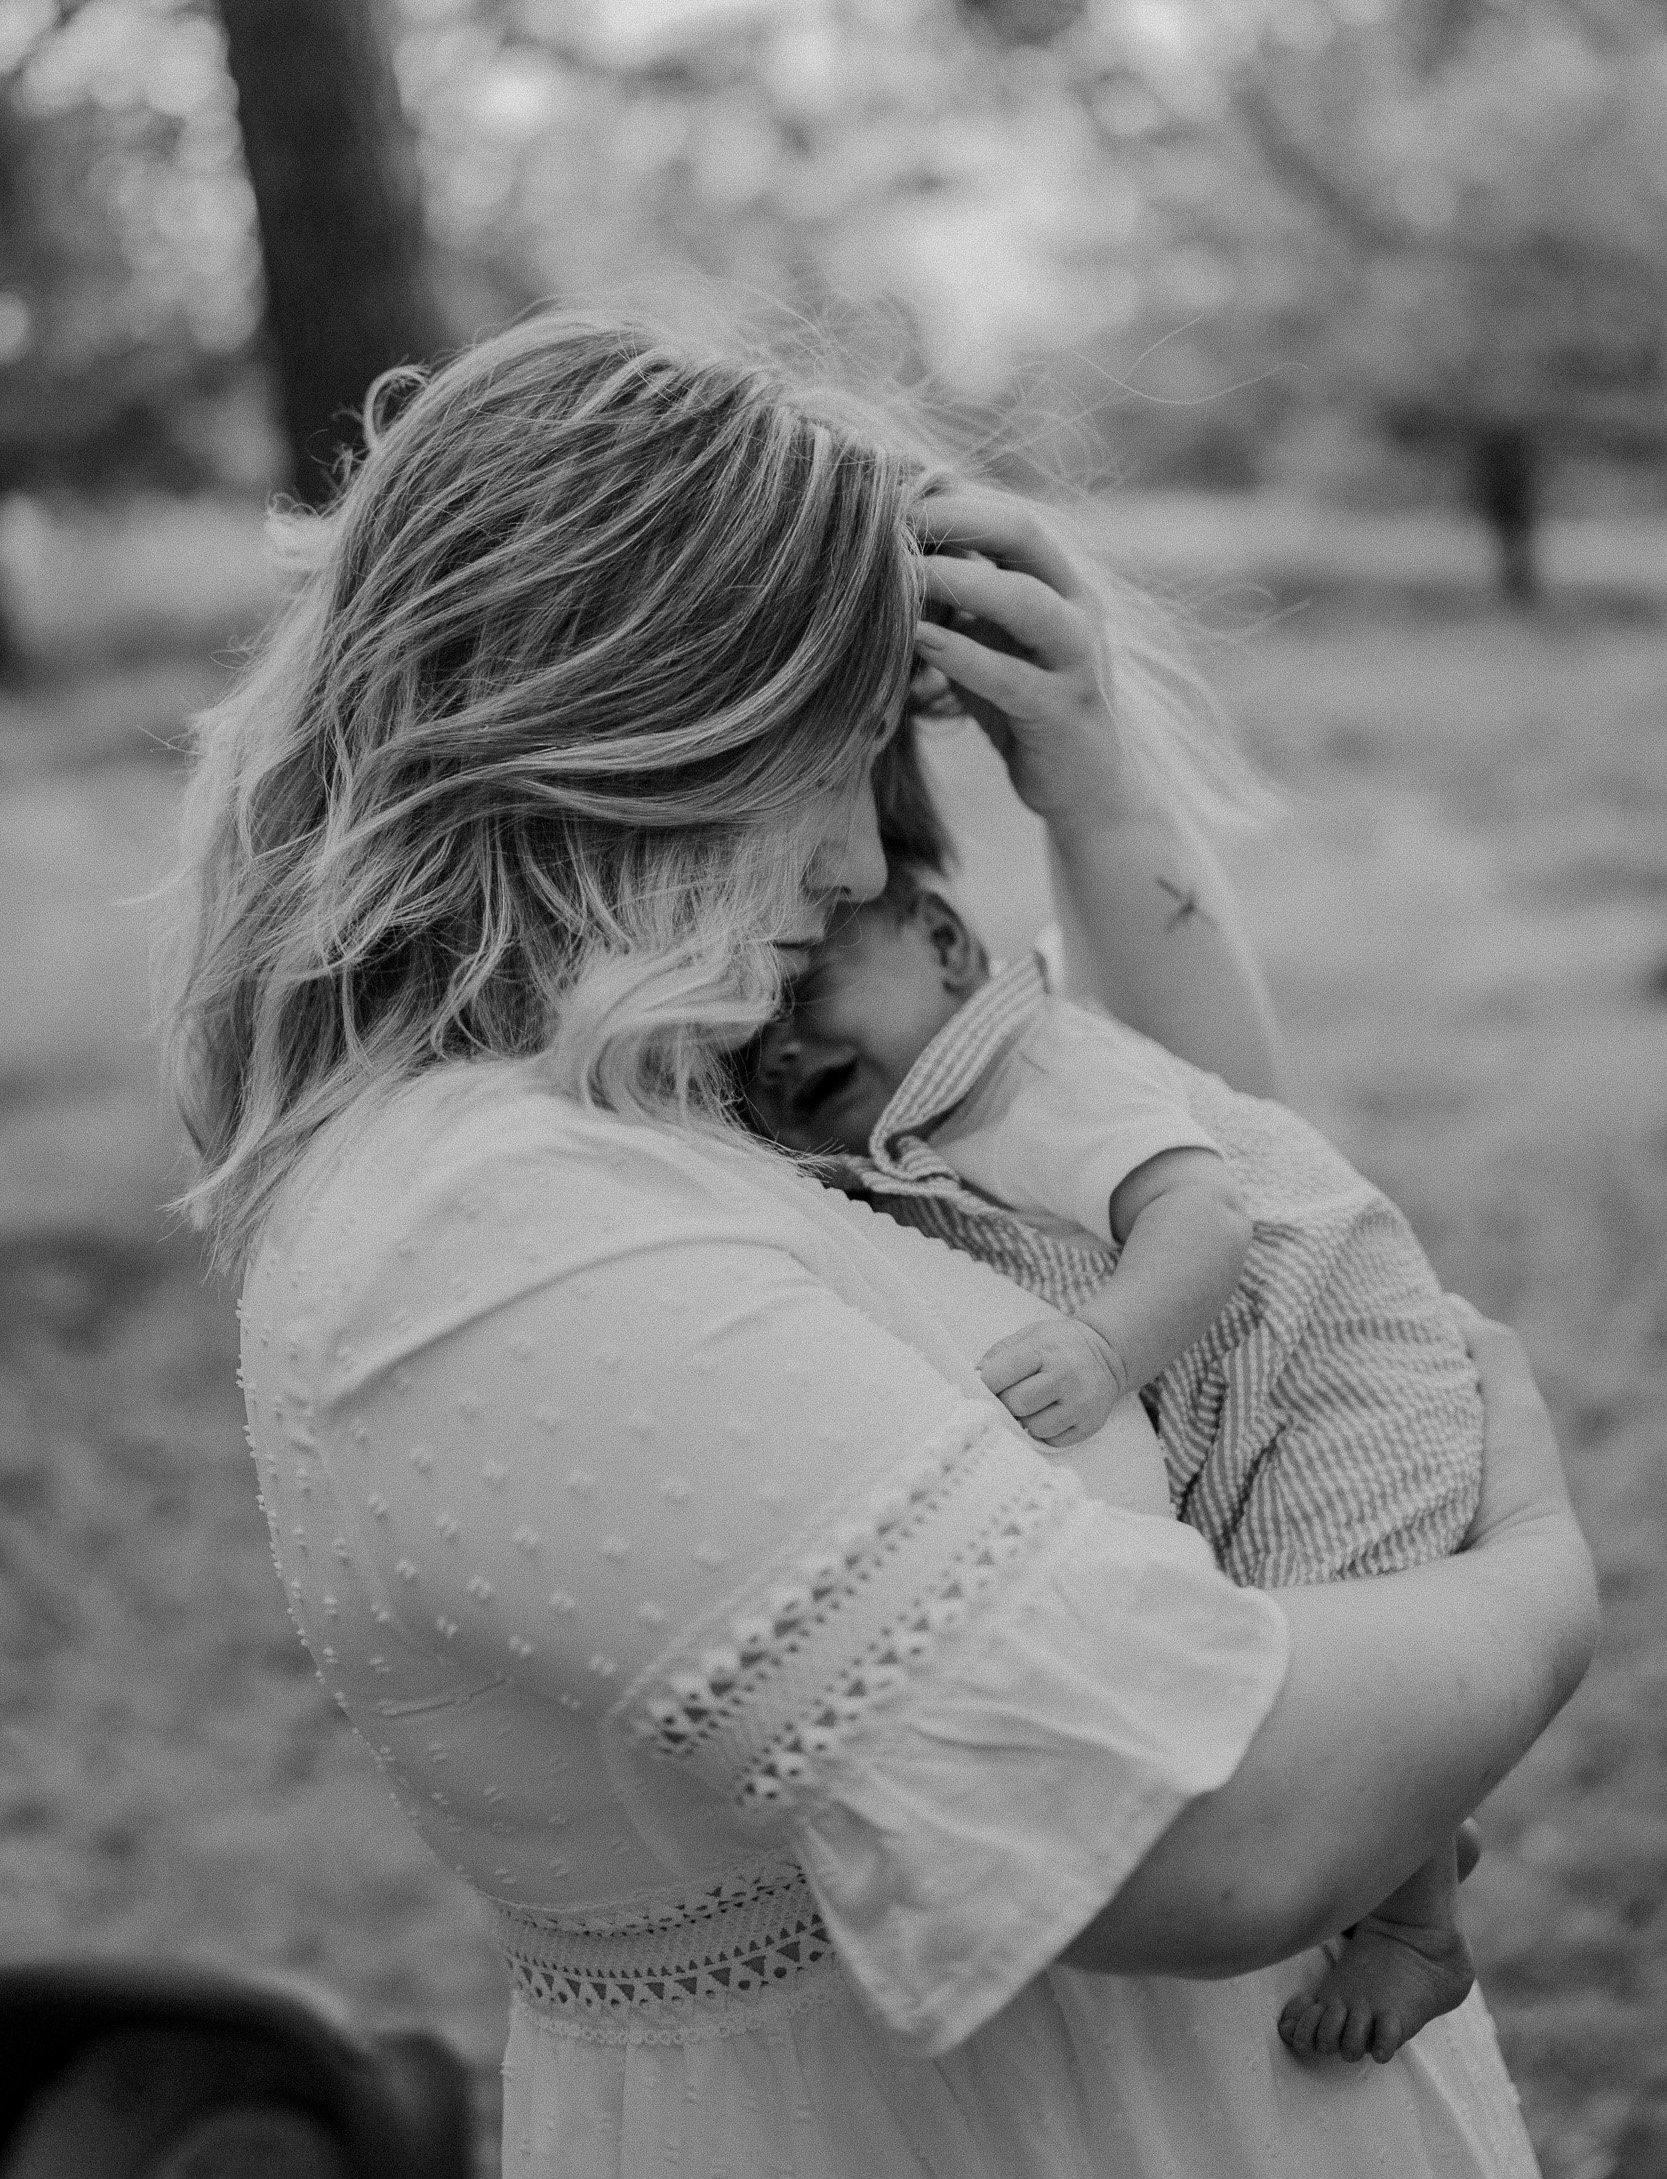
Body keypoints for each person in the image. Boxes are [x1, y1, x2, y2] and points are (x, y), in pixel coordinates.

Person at [163, 314, 1597, 2179]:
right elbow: (1212, 1827)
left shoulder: (693, 1107)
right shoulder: (489, 1236)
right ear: (632, 724)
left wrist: (1084, 777)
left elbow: (1203, 1159)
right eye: (818, 765)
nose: (862, 865)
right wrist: (1542, 1581)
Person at [739, 861, 1485, 2063]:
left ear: (939, 937)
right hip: (1261, 1378)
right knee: (1292, 1628)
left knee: (1325, 1626)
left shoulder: (1027, 1070)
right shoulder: (917, 1110)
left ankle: (1415, 1928)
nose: (775, 1051)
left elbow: (1204, 1214)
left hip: (1337, 1364)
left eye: (799, 986)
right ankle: (1409, 1820)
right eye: (740, 1038)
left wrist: (1100, 1345)